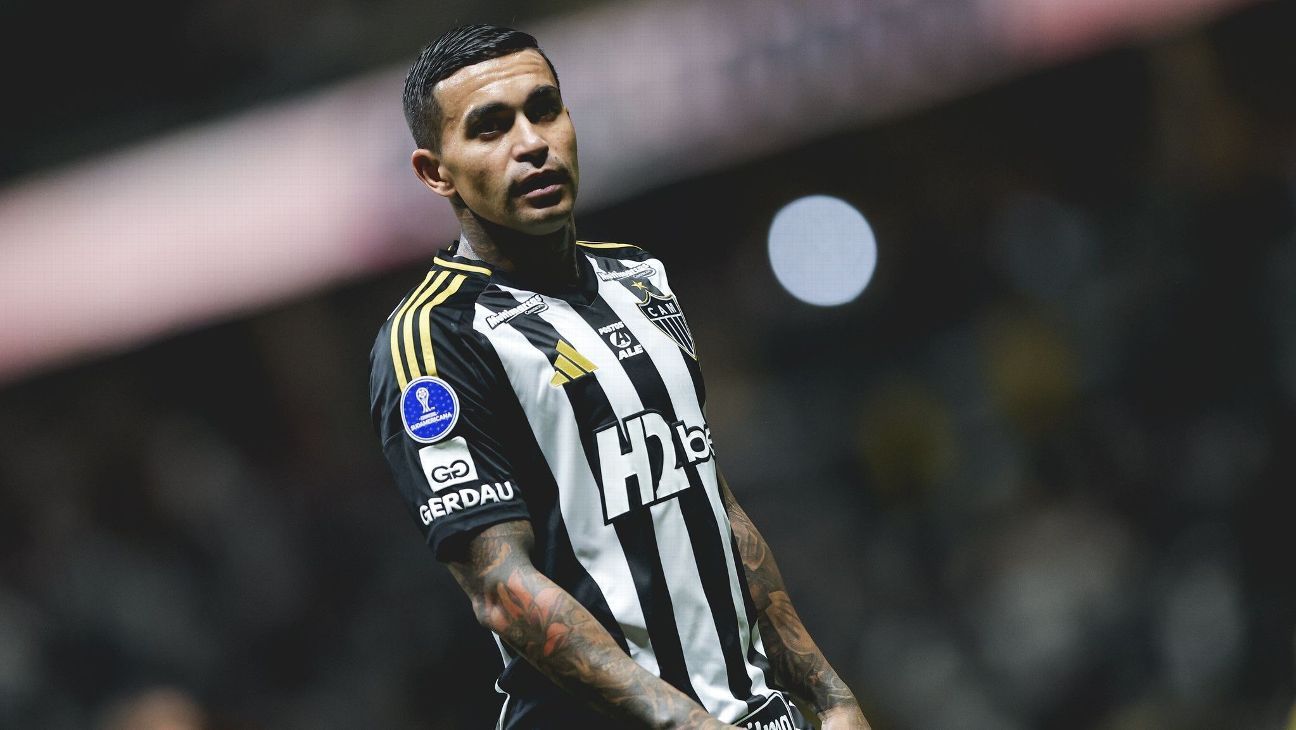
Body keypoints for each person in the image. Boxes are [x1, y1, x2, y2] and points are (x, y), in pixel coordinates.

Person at [369, 23, 871, 730]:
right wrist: (688, 723)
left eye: (545, 109)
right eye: (490, 127)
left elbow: (711, 500)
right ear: (436, 172)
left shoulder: (639, 277)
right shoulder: (433, 339)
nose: (531, 142)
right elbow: (501, 588)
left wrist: (829, 694)